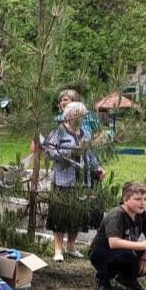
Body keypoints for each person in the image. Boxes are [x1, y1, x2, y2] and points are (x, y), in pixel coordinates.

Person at [43, 101, 104, 263]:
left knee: (78, 215)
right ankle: (58, 249)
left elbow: (90, 155)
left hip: (83, 180)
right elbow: (49, 152)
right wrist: (69, 152)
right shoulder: (59, 132)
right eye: (76, 114)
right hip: (64, 179)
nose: (79, 118)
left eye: (82, 115)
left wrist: (98, 167)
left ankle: (71, 246)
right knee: (60, 215)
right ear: (68, 116)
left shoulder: (86, 133)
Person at [89, 182, 146, 290]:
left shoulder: (142, 214)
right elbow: (114, 242)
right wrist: (144, 246)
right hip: (102, 252)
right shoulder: (117, 215)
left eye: (145, 199)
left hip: (126, 252)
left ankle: (127, 278)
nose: (142, 203)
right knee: (127, 256)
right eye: (137, 199)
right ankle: (102, 278)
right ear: (126, 200)